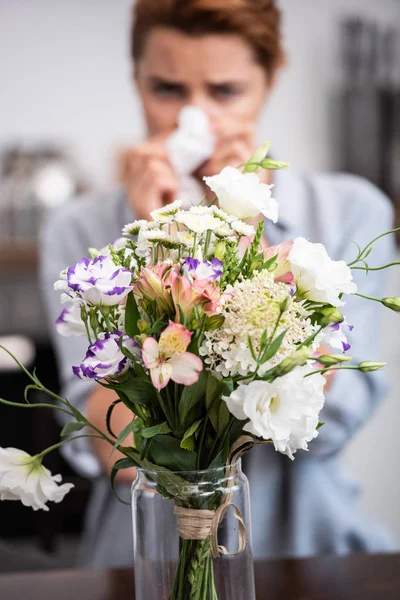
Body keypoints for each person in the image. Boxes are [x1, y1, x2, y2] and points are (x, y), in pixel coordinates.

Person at [40, 0, 397, 568]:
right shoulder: (79, 230)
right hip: (146, 555)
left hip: (311, 552)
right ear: (135, 80)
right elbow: (122, 449)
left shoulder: (350, 211)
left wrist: (239, 236)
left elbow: (319, 429)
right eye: (167, 89)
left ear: (271, 78)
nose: (194, 119)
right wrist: (154, 246)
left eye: (225, 91)